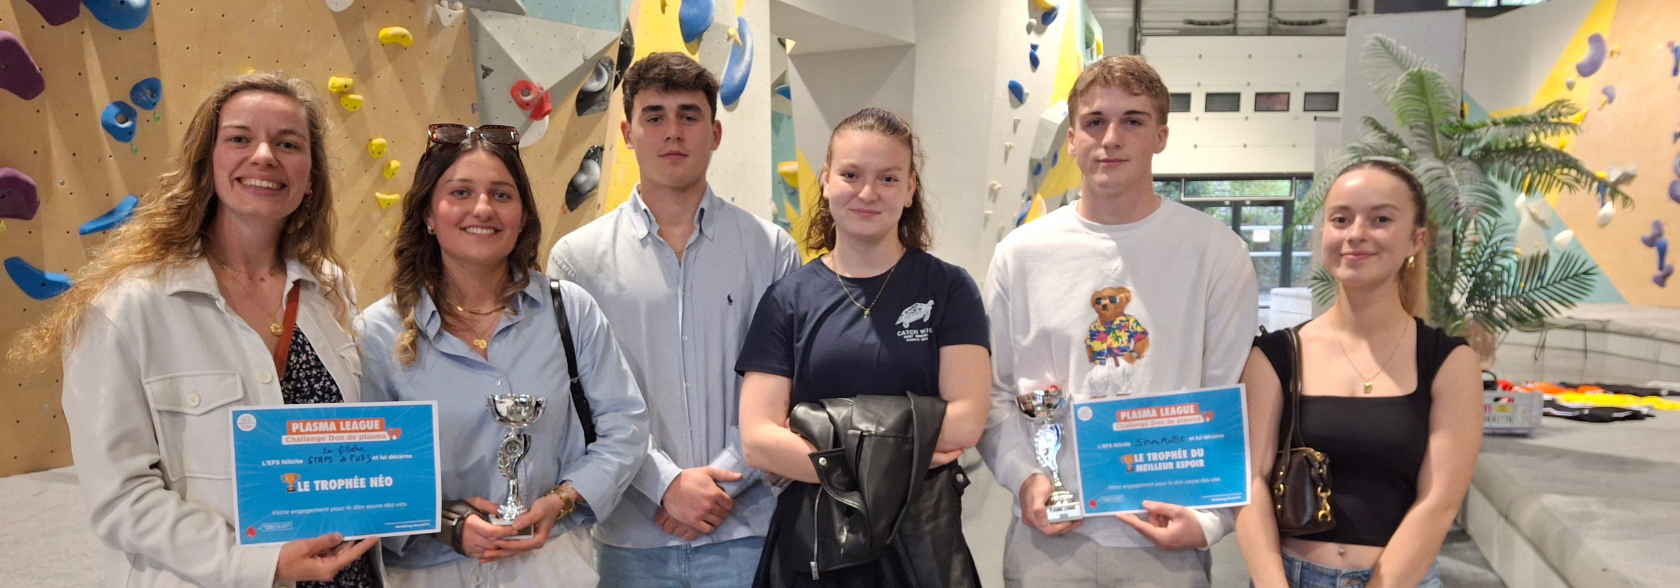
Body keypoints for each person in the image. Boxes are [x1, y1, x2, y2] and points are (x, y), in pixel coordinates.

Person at [12, 72, 382, 588]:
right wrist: (261, 565)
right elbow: (121, 497)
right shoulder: (125, 307)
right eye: (239, 138)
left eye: (288, 144)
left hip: (347, 574)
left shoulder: (330, 288)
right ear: (206, 163)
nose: (264, 156)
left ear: (311, 178)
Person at [975, 55, 1259, 587]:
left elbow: (1234, 402)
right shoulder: (1021, 254)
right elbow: (995, 392)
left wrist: (1211, 521)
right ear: (1072, 140)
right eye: (1094, 121)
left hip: (1165, 538)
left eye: (1132, 120)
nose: (1111, 138)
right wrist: (1025, 478)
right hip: (1050, 538)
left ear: (1161, 136)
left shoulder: (1216, 252)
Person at [546, 51, 800, 587]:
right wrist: (664, 484)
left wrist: (722, 483)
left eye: (689, 115)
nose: (673, 132)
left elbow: (789, 384)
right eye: (654, 116)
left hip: (748, 532)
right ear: (628, 133)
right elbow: (580, 399)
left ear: (715, 133)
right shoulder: (577, 260)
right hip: (629, 538)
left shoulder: (771, 249)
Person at [357, 123, 650, 587]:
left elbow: (625, 427)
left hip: (551, 563)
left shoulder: (569, 311)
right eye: (460, 192)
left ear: (522, 215)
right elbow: (366, 468)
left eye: (501, 194)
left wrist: (562, 500)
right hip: (431, 573)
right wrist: (447, 524)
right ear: (428, 213)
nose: (483, 209)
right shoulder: (377, 332)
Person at [737, 107, 991, 587]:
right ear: (826, 180)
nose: (868, 192)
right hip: (814, 546)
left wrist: (824, 447)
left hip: (921, 543)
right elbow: (759, 440)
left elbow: (965, 421)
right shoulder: (787, 300)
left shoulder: (949, 289)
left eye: (888, 178)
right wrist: (904, 449)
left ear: (910, 189)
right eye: (851, 174)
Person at [1234, 160, 1481, 588]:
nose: (1356, 234)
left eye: (1380, 219)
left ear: (1416, 239)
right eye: (1340, 219)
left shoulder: (1448, 361)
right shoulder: (1274, 356)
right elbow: (1249, 482)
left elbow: (1439, 501)